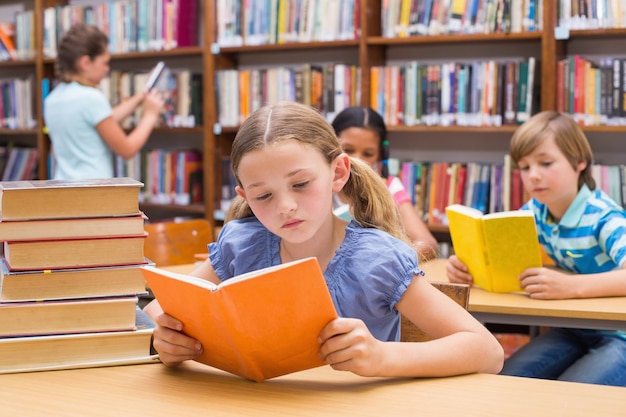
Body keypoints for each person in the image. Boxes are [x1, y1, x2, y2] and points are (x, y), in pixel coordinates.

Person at [144, 101, 503, 378]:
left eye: (300, 184)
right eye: (263, 196)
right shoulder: (243, 245)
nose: (285, 207)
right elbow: (158, 309)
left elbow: (487, 351)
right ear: (243, 195)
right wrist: (165, 338)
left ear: (338, 173)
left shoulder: (377, 260)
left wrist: (381, 356)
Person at [446, 111, 626, 386]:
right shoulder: (535, 211)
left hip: (620, 335)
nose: (534, 176)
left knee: (570, 399)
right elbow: (503, 258)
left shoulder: (604, 217)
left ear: (580, 162)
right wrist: (465, 267)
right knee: (506, 380)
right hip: (573, 328)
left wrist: (570, 287)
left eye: (545, 163)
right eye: (525, 167)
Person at [43, 23, 164, 180]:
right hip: (94, 192)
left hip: (64, 189)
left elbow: (101, 121)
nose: (107, 69)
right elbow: (127, 150)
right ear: (85, 63)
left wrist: (139, 98)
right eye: (104, 63)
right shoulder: (91, 98)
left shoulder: (53, 99)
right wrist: (150, 115)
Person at [331, 106, 438, 260]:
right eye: (347, 150)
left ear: (381, 155)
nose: (357, 160)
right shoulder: (319, 185)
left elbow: (427, 243)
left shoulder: (389, 186)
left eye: (368, 154)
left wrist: (392, 261)